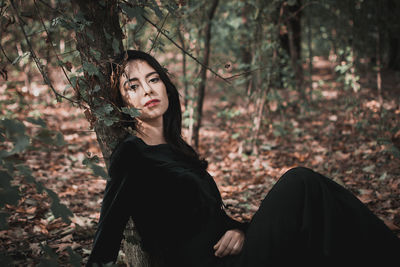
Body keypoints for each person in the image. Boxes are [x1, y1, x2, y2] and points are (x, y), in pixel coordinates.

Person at [86, 50, 400, 267]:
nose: (147, 90)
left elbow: (206, 217)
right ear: (122, 102)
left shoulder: (176, 148)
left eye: (153, 79)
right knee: (300, 182)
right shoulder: (131, 154)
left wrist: (240, 229)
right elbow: (107, 237)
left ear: (166, 87)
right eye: (133, 86)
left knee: (315, 219)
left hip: (237, 255)